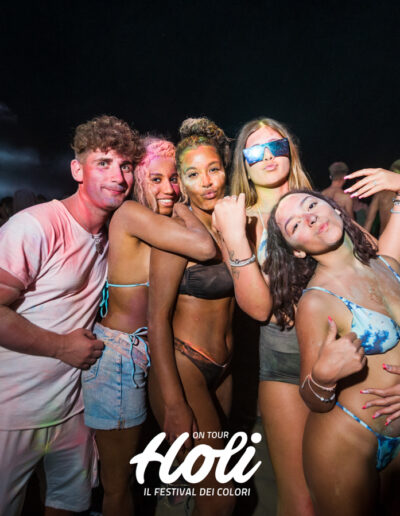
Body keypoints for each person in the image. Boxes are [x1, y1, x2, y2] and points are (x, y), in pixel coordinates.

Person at [0, 115, 143, 515]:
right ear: (77, 170)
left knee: (69, 506)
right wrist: (62, 347)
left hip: (73, 412)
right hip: (11, 412)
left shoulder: (112, 236)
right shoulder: (35, 226)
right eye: (103, 163)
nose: (117, 176)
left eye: (125, 166)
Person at [81, 136, 216, 516]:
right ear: (139, 179)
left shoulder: (156, 221)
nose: (169, 188)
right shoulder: (130, 214)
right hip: (119, 356)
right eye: (156, 179)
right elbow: (205, 248)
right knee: (118, 483)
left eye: (174, 179)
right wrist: (185, 206)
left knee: (150, 467)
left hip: (150, 351)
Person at [265, 189, 400, 516]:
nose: (309, 218)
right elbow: (312, 398)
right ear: (297, 251)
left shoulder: (390, 265)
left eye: (312, 205)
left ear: (336, 209)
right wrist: (324, 377)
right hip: (347, 441)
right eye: (295, 225)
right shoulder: (316, 301)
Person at [213, 117, 314, 515]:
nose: (269, 157)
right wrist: (235, 235)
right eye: (257, 151)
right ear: (244, 161)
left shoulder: (320, 207)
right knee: (300, 499)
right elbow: (259, 309)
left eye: (277, 146)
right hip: (285, 360)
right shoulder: (240, 219)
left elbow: (378, 266)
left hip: (345, 354)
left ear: (291, 150)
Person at [148, 117, 236, 515]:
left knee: (207, 488)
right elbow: (156, 318)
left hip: (225, 369)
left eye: (213, 169)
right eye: (194, 174)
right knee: (220, 494)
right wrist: (173, 402)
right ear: (181, 182)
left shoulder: (229, 223)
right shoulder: (175, 234)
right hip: (185, 366)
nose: (208, 182)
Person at [360, 161, 400, 235]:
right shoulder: (380, 193)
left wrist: (362, 239)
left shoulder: (380, 193)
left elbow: (369, 221)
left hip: (384, 238)